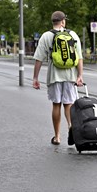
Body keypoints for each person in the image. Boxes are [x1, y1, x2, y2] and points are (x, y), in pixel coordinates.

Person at [33, 11, 83, 145]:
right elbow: (79, 58)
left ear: (53, 22)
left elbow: (39, 59)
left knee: (56, 105)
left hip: (54, 75)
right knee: (68, 104)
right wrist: (80, 76)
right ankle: (71, 126)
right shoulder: (72, 35)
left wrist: (35, 78)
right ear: (63, 21)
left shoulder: (46, 36)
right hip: (70, 75)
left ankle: (57, 137)